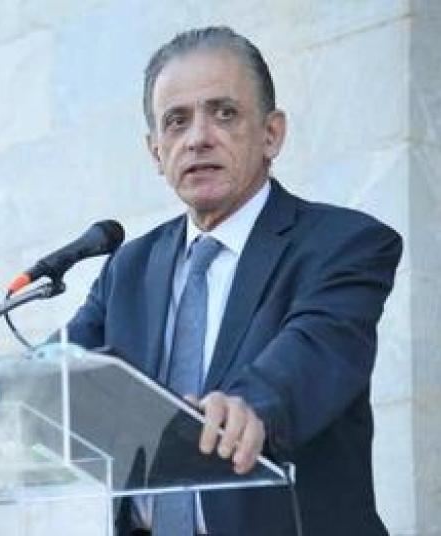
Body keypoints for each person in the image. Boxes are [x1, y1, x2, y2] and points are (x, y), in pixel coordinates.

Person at [63, 26, 402, 535]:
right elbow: (57, 372)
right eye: (176, 121)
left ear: (271, 134)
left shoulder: (344, 244)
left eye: (223, 113)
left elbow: (315, 349)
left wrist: (249, 406)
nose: (198, 137)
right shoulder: (128, 268)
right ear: (156, 151)